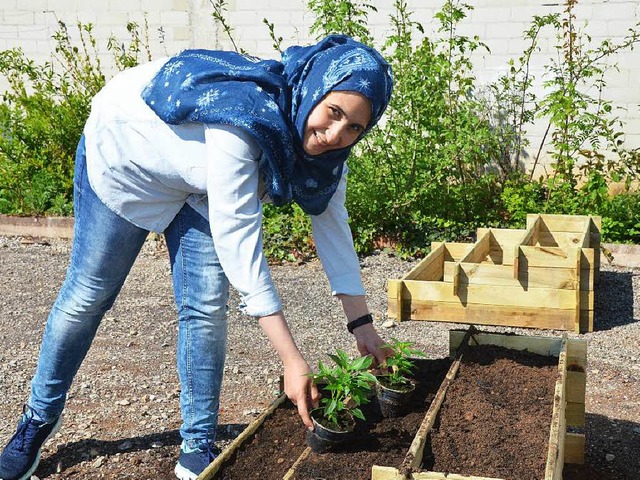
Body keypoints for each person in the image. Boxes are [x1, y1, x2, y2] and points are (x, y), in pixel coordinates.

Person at [0, 34, 393, 480]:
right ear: (313, 90)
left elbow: (331, 224)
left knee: (205, 309)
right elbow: (240, 241)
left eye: (355, 127)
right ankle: (36, 421)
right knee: (89, 295)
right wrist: (290, 358)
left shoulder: (329, 154)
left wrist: (363, 326)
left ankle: (196, 450)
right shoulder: (242, 120)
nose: (335, 135)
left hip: (200, 183)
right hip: (129, 154)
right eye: (334, 112)